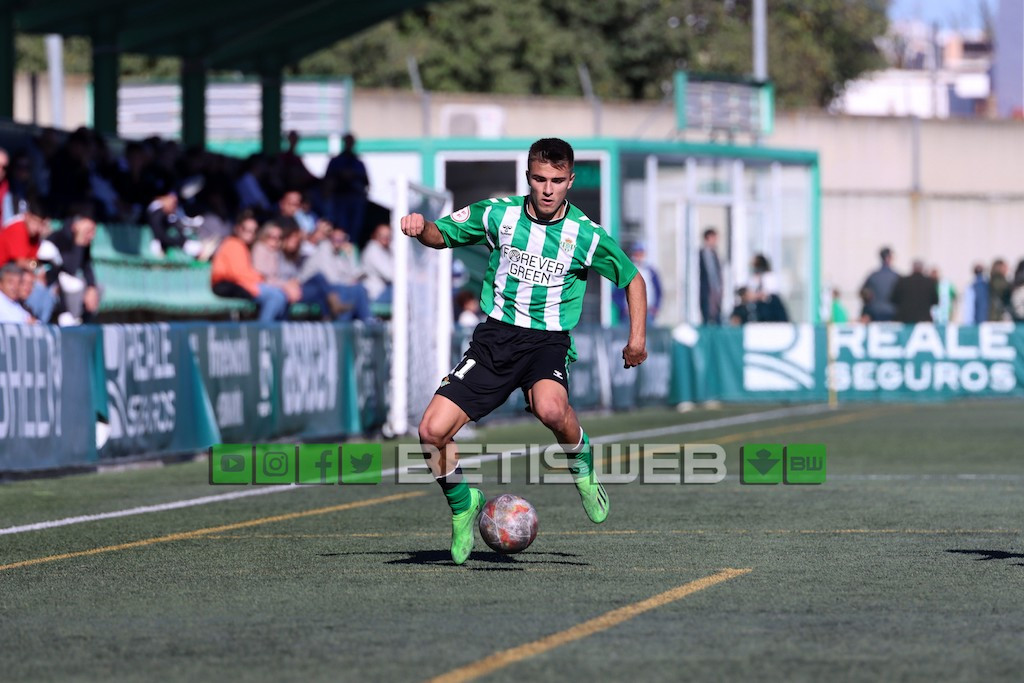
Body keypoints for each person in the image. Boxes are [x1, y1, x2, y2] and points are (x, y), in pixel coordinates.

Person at [400, 138, 648, 565]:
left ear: (570, 181)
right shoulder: (498, 213)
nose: (548, 189)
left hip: (547, 343)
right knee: (430, 433)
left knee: (552, 410)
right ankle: (463, 505)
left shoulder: (584, 234)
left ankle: (583, 465)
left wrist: (637, 339)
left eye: (557, 180)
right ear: (528, 178)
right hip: (495, 339)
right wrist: (420, 227)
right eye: (539, 179)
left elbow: (632, 279)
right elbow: (442, 235)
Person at [211, 213, 294, 323]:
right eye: (247, 230)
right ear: (238, 229)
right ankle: (263, 329)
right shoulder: (233, 244)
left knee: (280, 295)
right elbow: (238, 274)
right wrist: (260, 280)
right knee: (276, 296)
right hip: (229, 286)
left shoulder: (242, 246)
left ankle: (277, 330)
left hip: (240, 285)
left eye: (254, 231)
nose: (251, 234)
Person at [0, 197, 55, 322]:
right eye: (35, 221)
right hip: (4, 276)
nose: (37, 227)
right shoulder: (17, 228)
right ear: (27, 216)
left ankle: (38, 324)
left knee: (49, 291)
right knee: (35, 286)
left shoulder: (34, 235)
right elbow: (21, 262)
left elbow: (32, 262)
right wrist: (38, 269)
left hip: (15, 274)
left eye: (40, 223)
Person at [45, 211, 102, 324]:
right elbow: (70, 269)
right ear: (76, 227)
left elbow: (87, 266)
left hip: (69, 285)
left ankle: (84, 325)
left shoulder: (84, 243)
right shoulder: (58, 238)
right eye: (89, 231)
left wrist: (91, 287)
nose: (92, 236)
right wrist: (78, 241)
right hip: (54, 285)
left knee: (97, 289)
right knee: (76, 285)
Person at [324, 133, 369, 242]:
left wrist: (353, 176)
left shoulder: (359, 163)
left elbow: (367, 182)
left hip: (355, 200)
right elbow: (327, 181)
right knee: (340, 227)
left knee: (355, 229)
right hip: (339, 200)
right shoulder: (335, 162)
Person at [613, 241, 661, 323]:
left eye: (641, 254)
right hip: (629, 314)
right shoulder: (626, 271)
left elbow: (658, 291)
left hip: (647, 313)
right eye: (637, 254)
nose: (639, 256)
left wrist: (655, 308)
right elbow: (615, 294)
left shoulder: (651, 272)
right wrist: (623, 307)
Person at [861, 247, 899, 321]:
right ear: (889, 258)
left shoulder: (873, 276)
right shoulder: (896, 277)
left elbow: (863, 293)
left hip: (875, 313)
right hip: (892, 313)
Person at [361, 222, 394, 304]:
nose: (385, 238)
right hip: (376, 293)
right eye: (382, 235)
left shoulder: (387, 250)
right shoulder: (373, 249)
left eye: (388, 236)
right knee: (405, 289)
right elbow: (390, 275)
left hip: (385, 290)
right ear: (375, 235)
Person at [749, 253, 788, 322]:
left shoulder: (770, 277)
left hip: (771, 311)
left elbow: (769, 295)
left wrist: (757, 296)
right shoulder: (753, 279)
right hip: (759, 311)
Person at [698, 228, 723, 325]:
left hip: (715, 292)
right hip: (706, 292)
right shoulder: (701, 254)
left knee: (717, 317)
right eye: (714, 238)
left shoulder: (714, 254)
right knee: (706, 317)